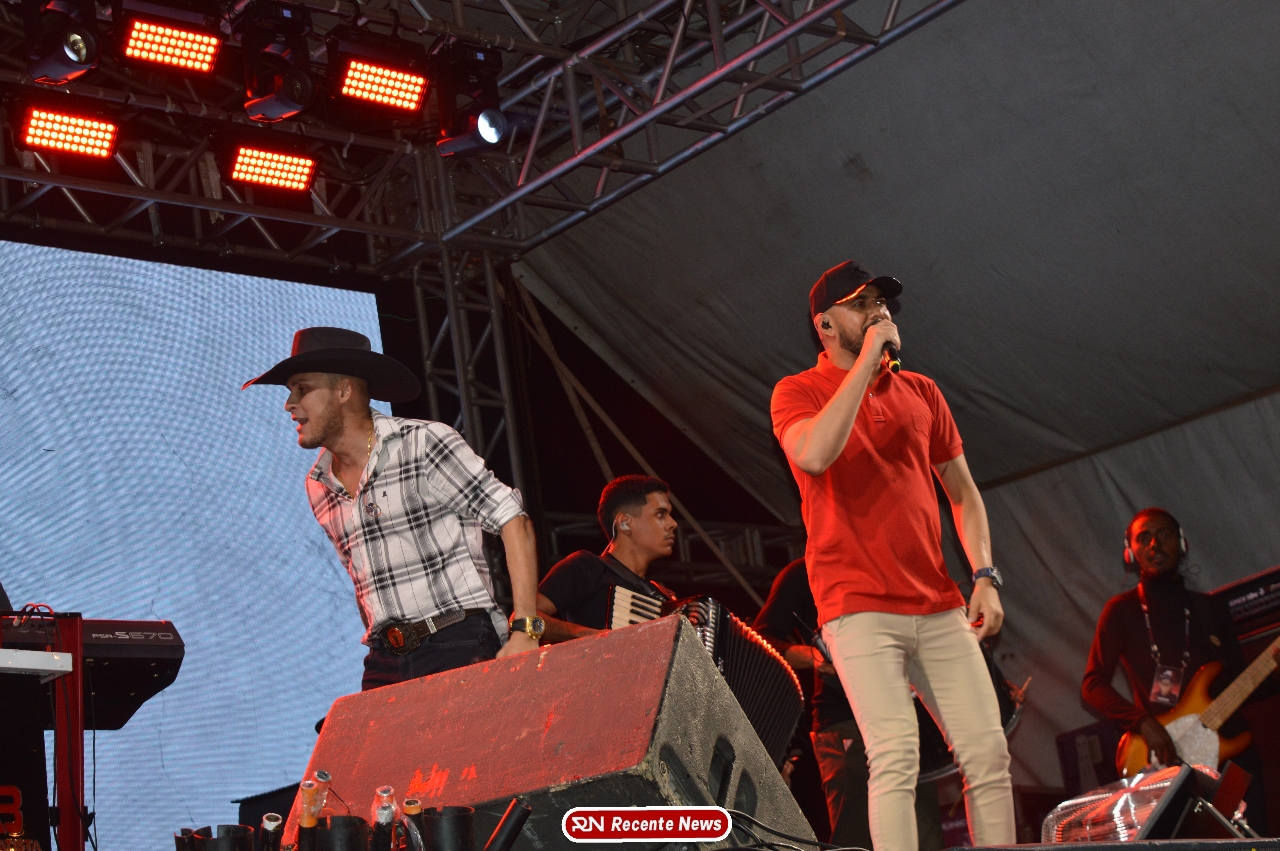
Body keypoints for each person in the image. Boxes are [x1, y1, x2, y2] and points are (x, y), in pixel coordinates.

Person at [770, 261, 1015, 851]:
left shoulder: (921, 391)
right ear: (826, 325)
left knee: (988, 752)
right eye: (861, 304)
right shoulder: (796, 391)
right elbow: (813, 455)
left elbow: (963, 492)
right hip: (856, 605)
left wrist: (984, 575)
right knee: (895, 755)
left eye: (880, 301)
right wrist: (863, 368)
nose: (878, 311)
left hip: (937, 602)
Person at [243, 327, 541, 691]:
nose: (289, 404)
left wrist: (526, 629)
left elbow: (513, 520)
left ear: (344, 390)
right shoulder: (318, 483)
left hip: (455, 641)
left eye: (301, 389)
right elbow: (362, 581)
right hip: (384, 660)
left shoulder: (422, 442)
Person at [1082, 507, 1276, 834]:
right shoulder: (1120, 611)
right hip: (1169, 759)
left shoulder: (1210, 608)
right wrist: (1143, 723)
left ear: (1182, 544)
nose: (1155, 544)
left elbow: (1241, 680)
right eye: (1144, 538)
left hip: (1231, 751)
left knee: (1251, 837)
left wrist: (1274, 672)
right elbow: (1092, 684)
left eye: (1165, 534)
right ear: (1130, 552)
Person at [754, 559, 944, 851]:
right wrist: (814, 657)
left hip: (905, 717)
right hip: (846, 719)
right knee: (858, 836)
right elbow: (762, 639)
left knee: (924, 836)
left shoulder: (889, 561)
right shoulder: (806, 570)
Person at [537, 475, 677, 642]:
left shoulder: (665, 598)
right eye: (660, 514)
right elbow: (525, 618)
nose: (673, 523)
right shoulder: (587, 567)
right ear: (625, 523)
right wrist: (587, 636)